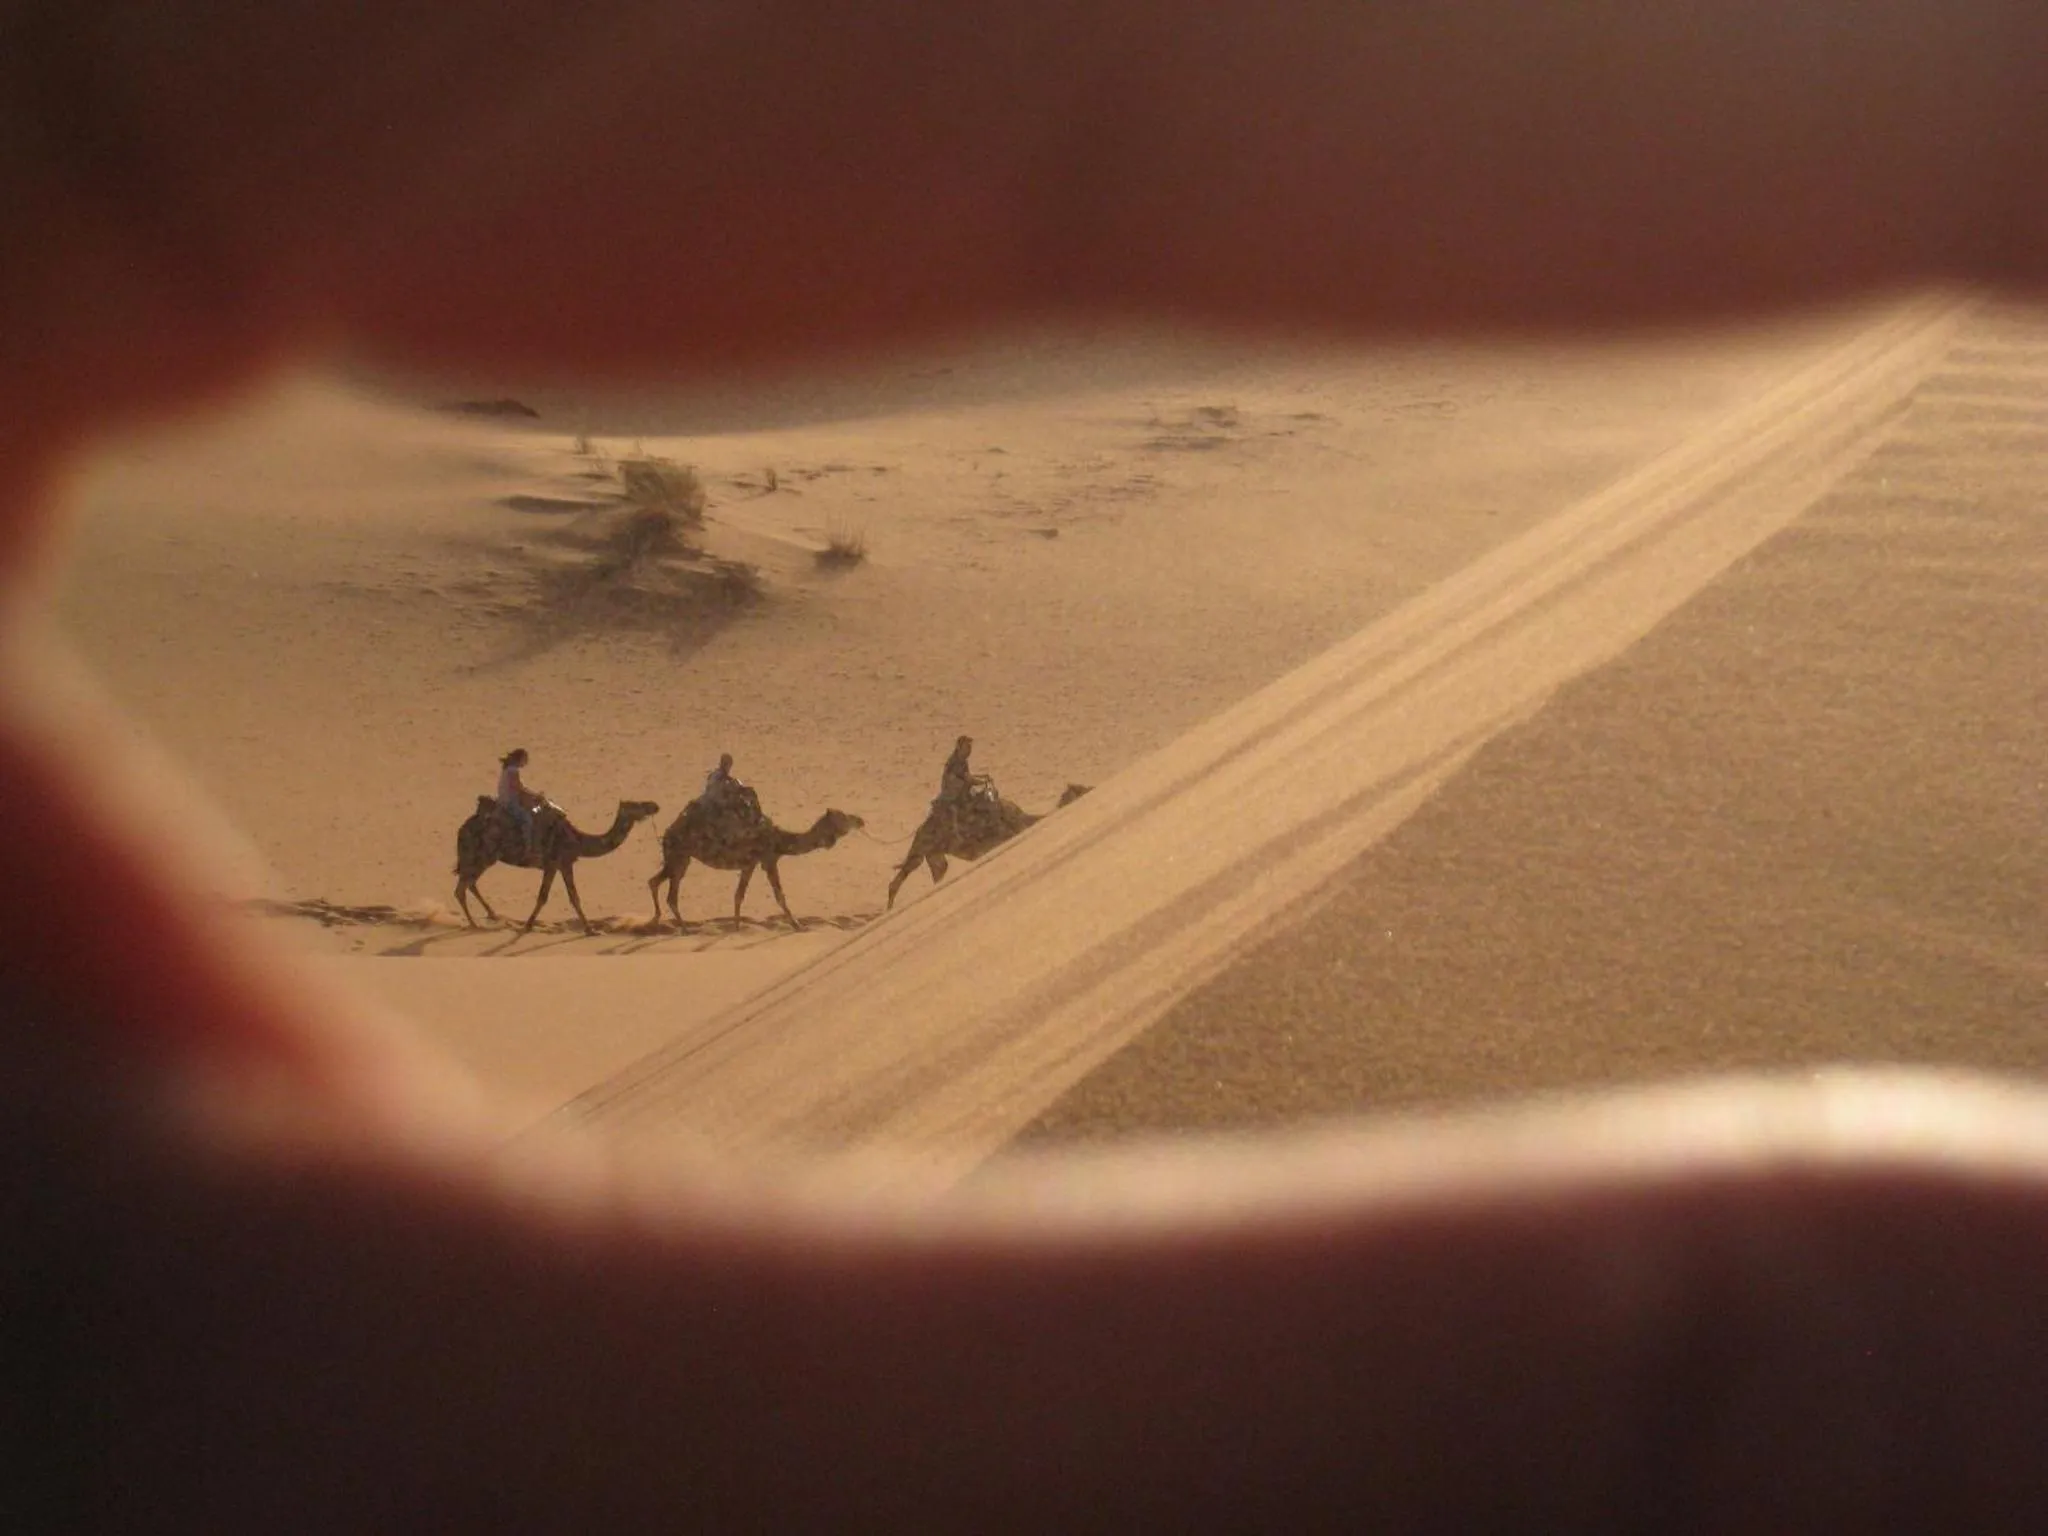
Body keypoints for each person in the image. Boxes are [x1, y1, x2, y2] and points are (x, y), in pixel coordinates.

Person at [11, 5, 2048, 1527]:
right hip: (573, 817)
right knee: (600, 829)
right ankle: (618, 865)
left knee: (757, 820)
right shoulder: (548, 767)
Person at [494, 747, 548, 859]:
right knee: (527, 819)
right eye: (525, 759)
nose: (526, 762)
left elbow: (521, 788)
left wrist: (533, 795)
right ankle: (528, 850)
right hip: (510, 803)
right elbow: (519, 789)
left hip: (505, 800)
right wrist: (535, 796)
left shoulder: (508, 769)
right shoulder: (513, 771)